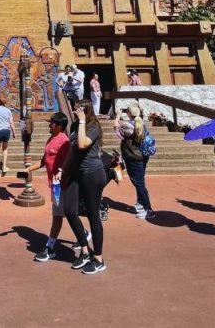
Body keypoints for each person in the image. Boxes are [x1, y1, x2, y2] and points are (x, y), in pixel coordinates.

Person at [61, 100, 107, 275]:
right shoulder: (75, 126)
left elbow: (82, 144)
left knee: (93, 215)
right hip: (76, 173)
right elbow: (73, 152)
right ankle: (85, 249)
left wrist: (81, 121)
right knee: (69, 210)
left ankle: (99, 258)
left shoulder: (93, 126)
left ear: (85, 111)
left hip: (92, 174)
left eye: (78, 110)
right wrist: (62, 170)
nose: (74, 112)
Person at [25, 112, 71, 262]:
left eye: (51, 123)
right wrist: (28, 169)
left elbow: (69, 163)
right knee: (65, 214)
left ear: (59, 126)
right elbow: (44, 160)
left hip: (62, 186)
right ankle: (83, 234)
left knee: (58, 215)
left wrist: (62, 174)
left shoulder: (64, 141)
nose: (48, 125)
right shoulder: (51, 139)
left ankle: (49, 247)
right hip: (54, 185)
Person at [118, 104, 155, 220]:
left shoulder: (128, 126)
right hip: (142, 156)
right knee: (140, 182)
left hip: (133, 158)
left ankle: (148, 209)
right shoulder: (141, 123)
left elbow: (115, 126)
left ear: (129, 114)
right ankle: (141, 202)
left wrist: (118, 115)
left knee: (139, 183)